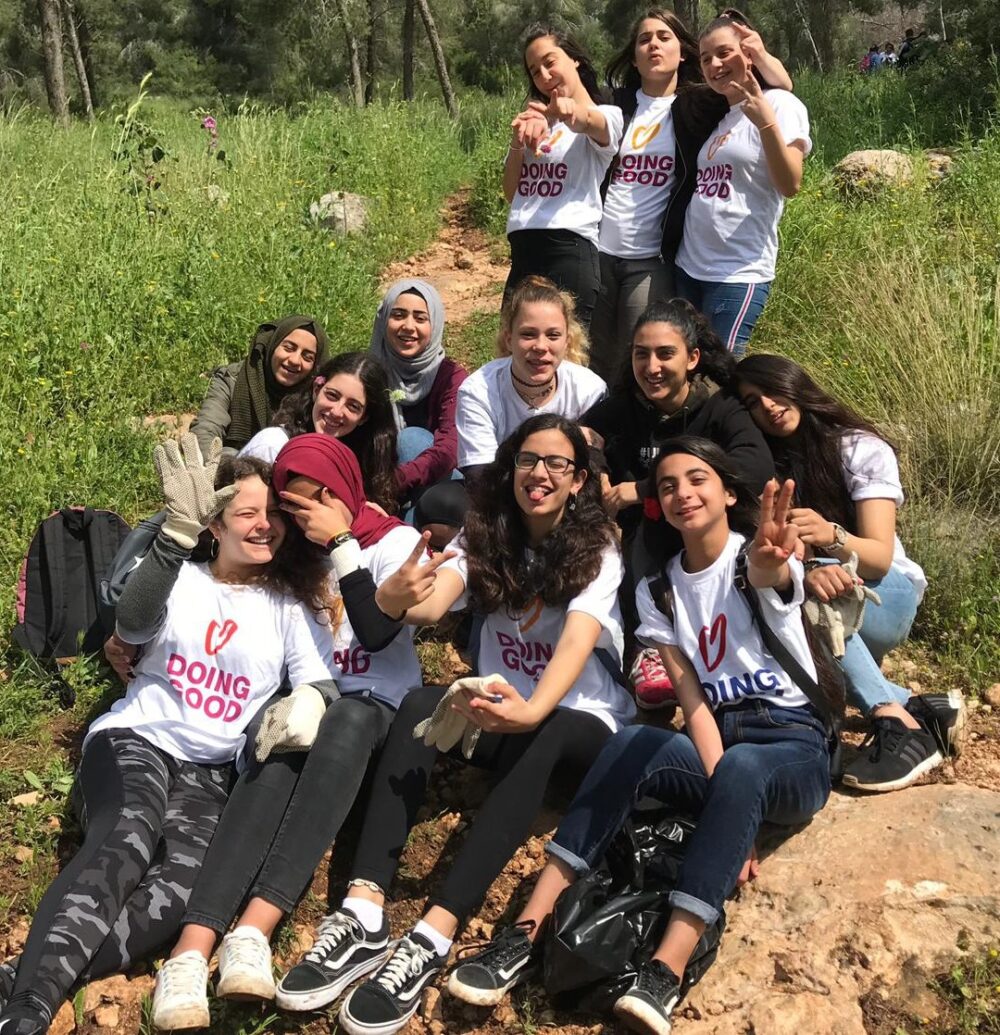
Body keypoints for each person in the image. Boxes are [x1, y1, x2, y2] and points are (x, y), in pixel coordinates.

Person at [445, 440, 836, 1035]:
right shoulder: (658, 590)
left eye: (697, 479)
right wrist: (732, 801)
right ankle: (524, 930)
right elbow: (693, 703)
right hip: (725, 746)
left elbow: (769, 574)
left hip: (794, 748)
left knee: (746, 769)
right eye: (669, 484)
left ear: (729, 492)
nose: (683, 493)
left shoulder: (751, 557)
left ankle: (666, 971)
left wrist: (773, 561)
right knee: (630, 743)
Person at [276, 415, 635, 1035]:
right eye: (527, 460)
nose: (539, 474)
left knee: (544, 734)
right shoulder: (484, 538)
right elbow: (427, 606)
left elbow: (578, 642)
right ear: (509, 469)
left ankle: (434, 933)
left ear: (579, 481)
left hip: (580, 722)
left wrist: (529, 708)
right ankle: (364, 910)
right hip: (500, 709)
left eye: (556, 464)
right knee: (418, 703)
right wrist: (377, 581)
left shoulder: (597, 550)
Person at [0, 439, 335, 1035]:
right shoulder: (178, 577)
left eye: (272, 516)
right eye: (246, 514)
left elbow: (318, 680)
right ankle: (28, 1013)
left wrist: (310, 699)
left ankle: (26, 977)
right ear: (215, 522)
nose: (263, 527)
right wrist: (173, 535)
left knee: (182, 893)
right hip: (139, 739)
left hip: (213, 770)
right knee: (126, 835)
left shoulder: (290, 603)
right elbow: (132, 621)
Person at [149, 434, 448, 1029]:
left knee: (347, 714)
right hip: (306, 706)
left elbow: (383, 621)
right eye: (295, 502)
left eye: (322, 496)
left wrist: (342, 543)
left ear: (347, 489)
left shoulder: (391, 544)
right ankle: (192, 951)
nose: (305, 512)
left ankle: (255, 927)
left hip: (374, 714)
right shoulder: (286, 560)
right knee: (277, 747)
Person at [735, 355, 965, 791]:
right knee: (779, 595)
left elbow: (878, 555)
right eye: (750, 402)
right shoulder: (768, 467)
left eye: (771, 389)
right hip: (823, 596)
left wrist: (830, 535)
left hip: (887, 594)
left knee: (810, 584)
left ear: (795, 383)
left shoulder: (857, 447)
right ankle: (922, 707)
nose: (766, 405)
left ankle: (894, 720)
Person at [584, 298, 774, 709]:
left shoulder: (720, 407)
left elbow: (755, 466)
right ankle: (647, 653)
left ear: (693, 358)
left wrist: (648, 487)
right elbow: (579, 436)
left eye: (665, 354)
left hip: (713, 540)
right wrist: (597, 466)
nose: (652, 367)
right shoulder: (625, 408)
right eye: (641, 354)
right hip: (647, 545)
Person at [590, 9, 791, 381]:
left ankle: (643, 436)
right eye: (644, 38)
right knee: (596, 355)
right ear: (633, 56)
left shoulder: (699, 105)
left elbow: (776, 89)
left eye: (664, 37)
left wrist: (758, 52)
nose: (653, 45)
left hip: (654, 257)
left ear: (682, 52)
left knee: (638, 358)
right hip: (599, 250)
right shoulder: (616, 103)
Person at [670, 12, 811, 357]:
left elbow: (790, 183)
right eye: (706, 59)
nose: (715, 64)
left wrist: (765, 124)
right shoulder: (721, 117)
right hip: (689, 266)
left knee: (724, 375)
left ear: (749, 53)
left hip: (737, 272)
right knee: (687, 371)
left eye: (724, 53)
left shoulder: (781, 104)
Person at [503, 25, 624, 327]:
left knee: (565, 359)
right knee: (513, 354)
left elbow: (590, 122)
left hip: (568, 249)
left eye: (550, 61)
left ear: (574, 59)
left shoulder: (607, 115)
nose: (543, 75)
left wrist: (572, 113)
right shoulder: (535, 122)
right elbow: (510, 193)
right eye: (534, 71)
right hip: (523, 250)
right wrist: (517, 143)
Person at [455, 276, 606, 478]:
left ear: (567, 342)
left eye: (553, 335)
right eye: (528, 334)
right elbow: (480, 476)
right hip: (499, 499)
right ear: (509, 340)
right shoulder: (477, 390)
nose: (541, 347)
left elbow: (594, 472)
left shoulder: (590, 390)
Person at [241, 351, 399, 514]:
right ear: (317, 389)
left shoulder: (359, 462)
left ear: (364, 417)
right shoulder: (272, 445)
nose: (337, 411)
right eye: (332, 395)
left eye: (353, 406)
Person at [368, 279, 468, 511]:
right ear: (383, 321)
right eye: (399, 315)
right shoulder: (368, 373)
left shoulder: (451, 377)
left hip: (438, 489)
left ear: (435, 325)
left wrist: (394, 481)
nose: (408, 326)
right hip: (377, 484)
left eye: (420, 318)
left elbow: (448, 450)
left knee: (411, 440)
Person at [190, 316, 329, 456]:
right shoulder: (233, 378)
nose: (294, 360)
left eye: (307, 357)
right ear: (272, 346)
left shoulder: (317, 395)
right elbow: (206, 428)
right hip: (232, 464)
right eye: (288, 348)